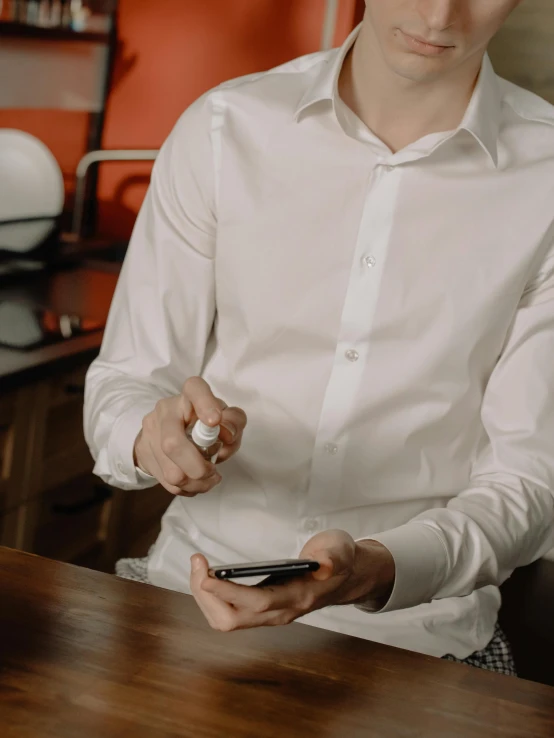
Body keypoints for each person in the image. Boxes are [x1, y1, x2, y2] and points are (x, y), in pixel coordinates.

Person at [84, 0, 554, 676]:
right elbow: (126, 380)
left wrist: (372, 569)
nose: (441, 13)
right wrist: (150, 436)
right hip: (183, 600)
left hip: (421, 644)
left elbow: (529, 482)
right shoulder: (224, 129)